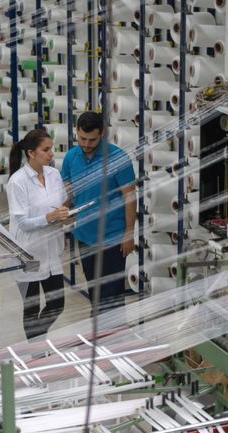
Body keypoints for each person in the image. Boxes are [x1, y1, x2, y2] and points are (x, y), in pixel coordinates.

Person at [60, 112, 136, 315]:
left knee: (111, 296)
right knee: (94, 292)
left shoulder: (117, 158)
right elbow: (68, 192)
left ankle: (114, 338)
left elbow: (130, 197)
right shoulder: (70, 157)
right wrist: (63, 211)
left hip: (112, 237)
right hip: (84, 235)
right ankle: (100, 337)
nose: (86, 143)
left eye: (92, 140)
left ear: (102, 134)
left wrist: (129, 233)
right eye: (82, 138)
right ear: (76, 132)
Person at [6, 128, 71, 339]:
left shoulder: (54, 174)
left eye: (51, 148)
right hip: (29, 253)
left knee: (56, 304)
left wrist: (65, 215)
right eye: (46, 149)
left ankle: (38, 339)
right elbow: (23, 223)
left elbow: (59, 205)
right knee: (32, 309)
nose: (51, 154)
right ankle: (37, 350)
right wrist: (50, 217)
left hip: (51, 249)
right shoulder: (17, 182)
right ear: (31, 153)